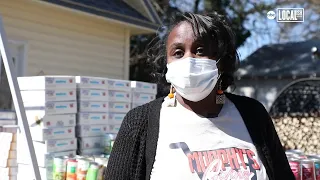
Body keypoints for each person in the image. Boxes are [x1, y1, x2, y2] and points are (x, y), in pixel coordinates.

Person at [104, 12, 294, 180]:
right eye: (178, 52)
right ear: (166, 64)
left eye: (200, 50)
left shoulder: (253, 114)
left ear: (221, 61)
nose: (189, 60)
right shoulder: (139, 123)